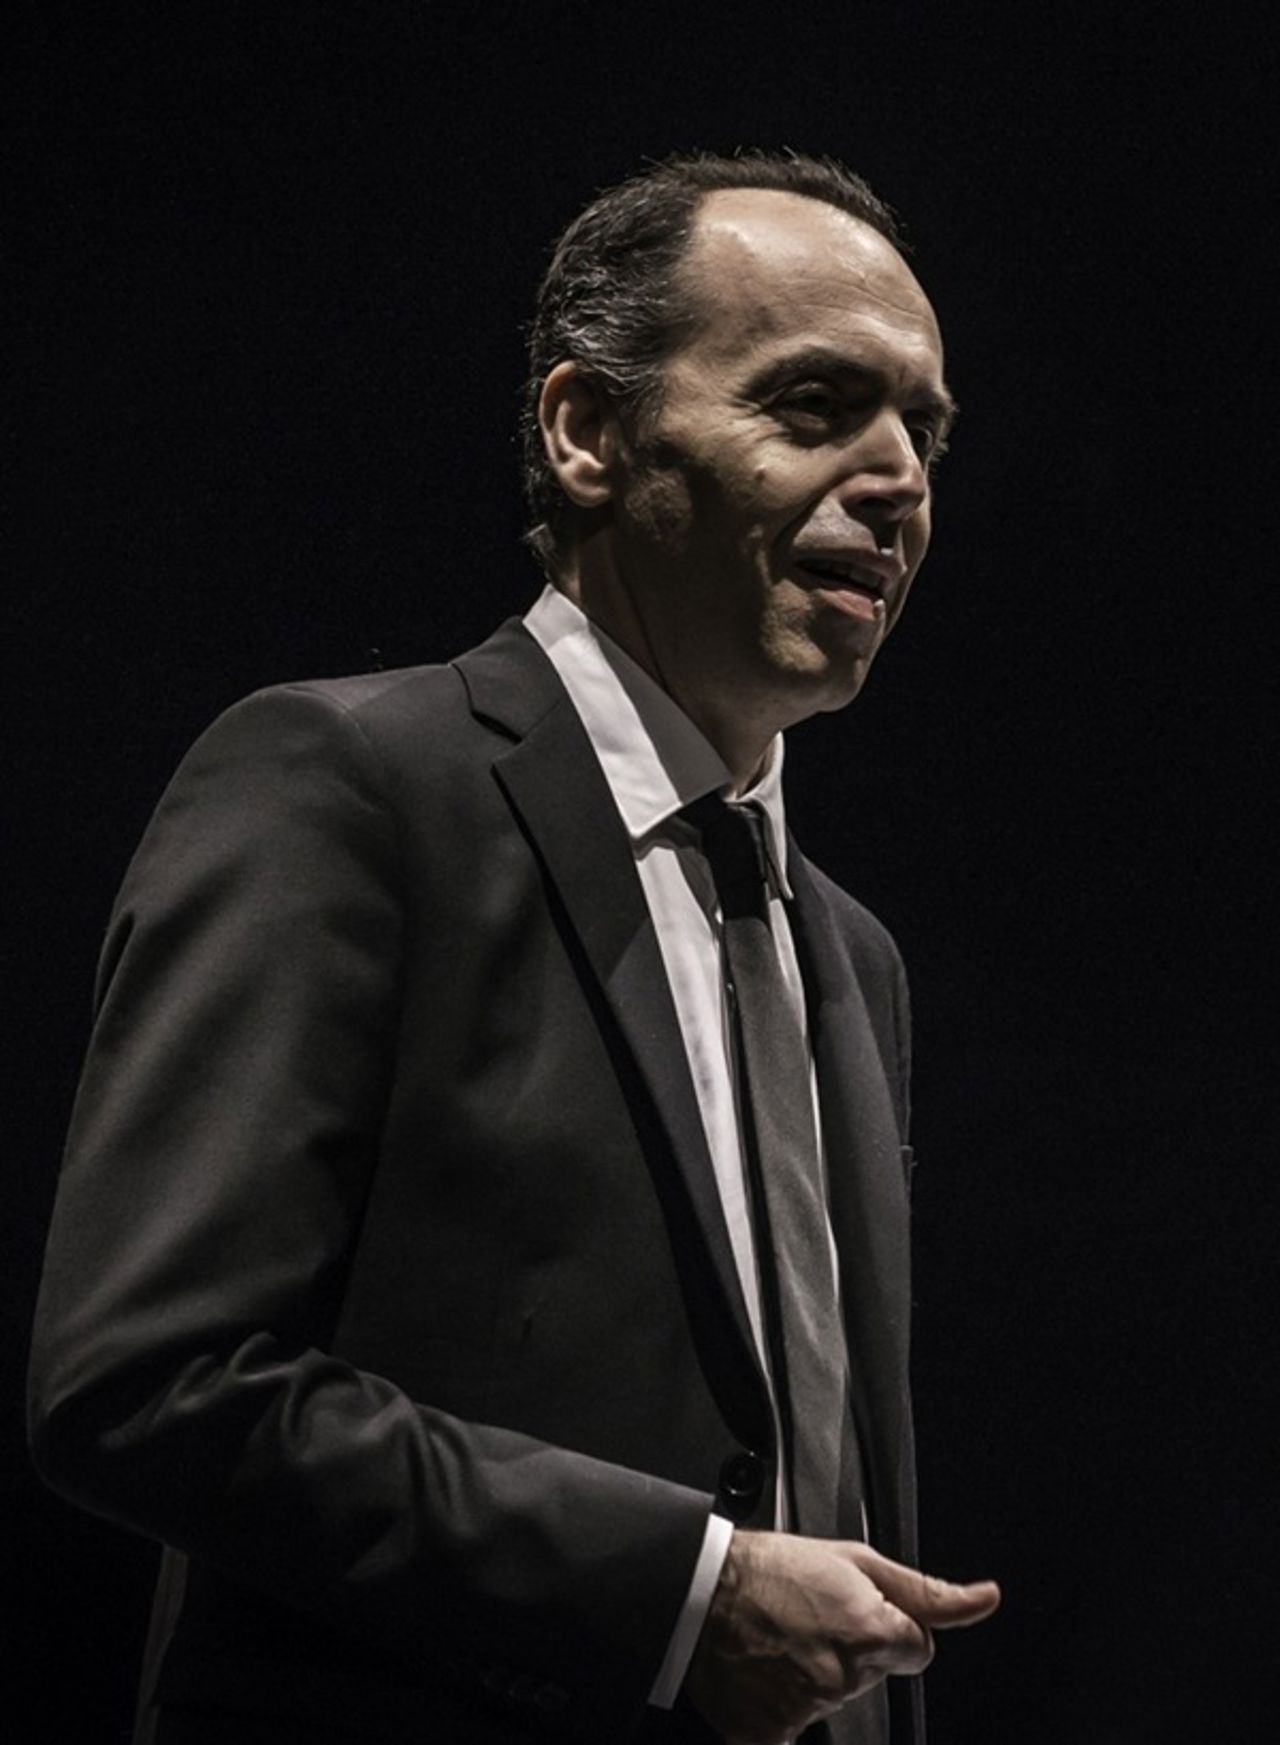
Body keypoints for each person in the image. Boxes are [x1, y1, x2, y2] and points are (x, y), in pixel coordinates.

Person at [28, 150, 1000, 1745]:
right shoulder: (344, 788)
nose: (898, 477)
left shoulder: (853, 954)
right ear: (588, 430)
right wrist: (683, 1595)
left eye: (925, 430)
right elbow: (148, 1379)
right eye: (818, 404)